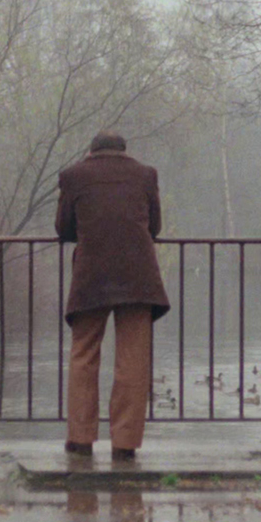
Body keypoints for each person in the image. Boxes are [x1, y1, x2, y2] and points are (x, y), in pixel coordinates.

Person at [56, 132, 169, 462]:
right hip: (138, 276)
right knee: (133, 359)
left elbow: (64, 229)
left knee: (83, 355)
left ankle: (80, 438)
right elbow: (155, 227)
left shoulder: (73, 175)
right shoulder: (146, 175)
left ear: (91, 152)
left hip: (91, 276)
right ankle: (125, 443)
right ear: (124, 151)